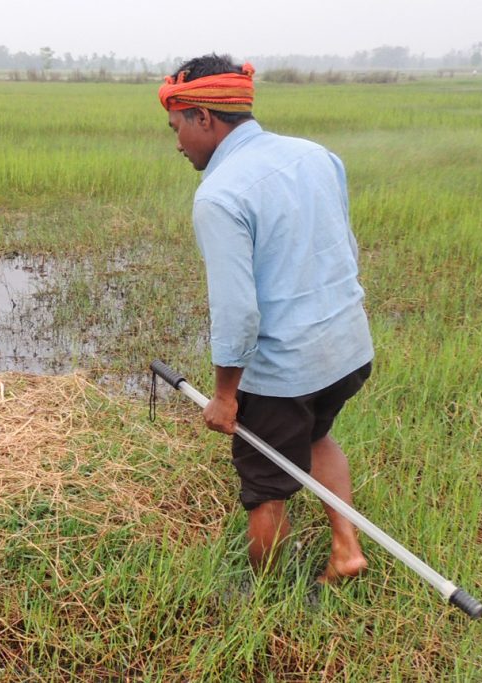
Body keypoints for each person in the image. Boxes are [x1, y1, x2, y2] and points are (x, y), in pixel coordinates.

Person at [159, 54, 374, 583]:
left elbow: (237, 312)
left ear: (203, 117)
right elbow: (344, 248)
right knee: (316, 438)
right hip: (348, 349)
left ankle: (262, 598)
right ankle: (346, 550)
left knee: (265, 489)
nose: (177, 142)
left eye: (177, 127)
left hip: (286, 371)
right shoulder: (316, 155)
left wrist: (226, 396)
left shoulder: (219, 194)